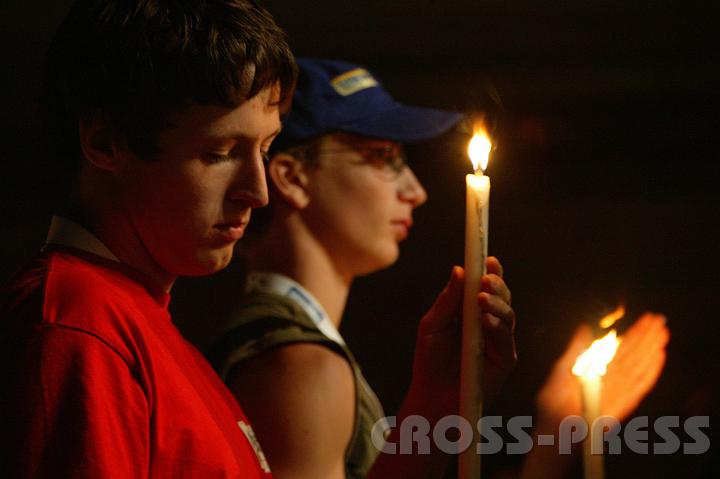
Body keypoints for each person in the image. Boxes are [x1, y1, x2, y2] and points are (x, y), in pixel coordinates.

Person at [0, 0, 296, 477]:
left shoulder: (132, 319)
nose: (258, 192)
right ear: (105, 143)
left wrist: (423, 402)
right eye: (220, 152)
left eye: (265, 147)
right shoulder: (80, 328)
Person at [207, 58, 518, 479]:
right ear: (292, 177)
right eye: (382, 156)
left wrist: (438, 400)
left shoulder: (288, 345)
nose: (416, 191)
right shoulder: (299, 366)